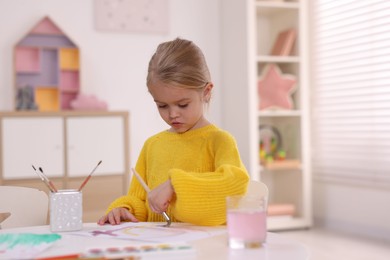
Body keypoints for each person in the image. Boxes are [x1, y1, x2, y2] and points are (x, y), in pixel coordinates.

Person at [98, 37, 249, 226]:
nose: (172, 114)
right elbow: (141, 201)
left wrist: (174, 185)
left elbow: (234, 185)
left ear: (207, 91)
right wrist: (125, 209)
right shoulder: (153, 145)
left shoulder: (219, 141)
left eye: (183, 104)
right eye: (162, 105)